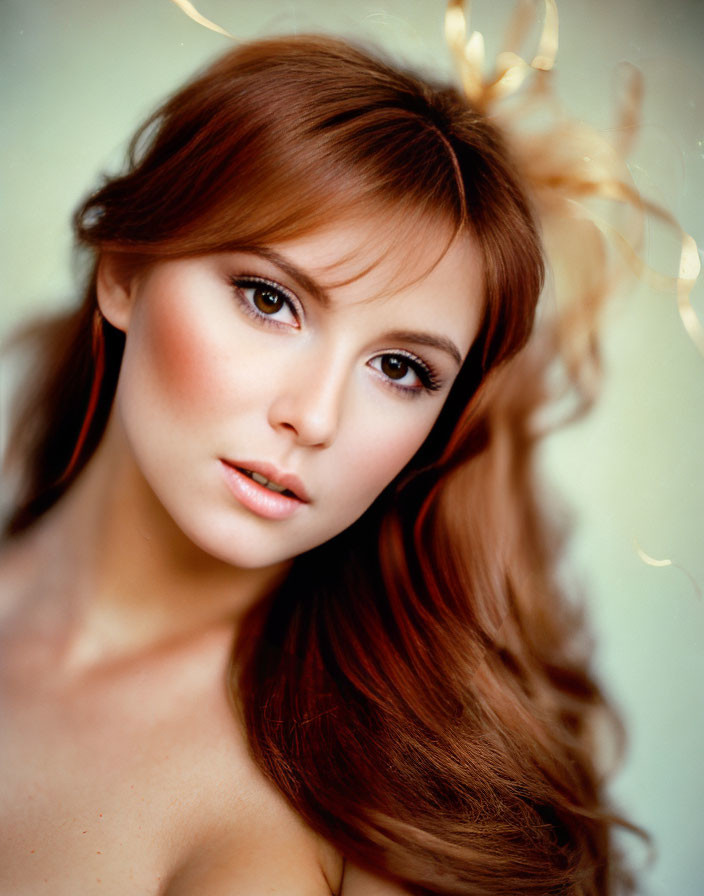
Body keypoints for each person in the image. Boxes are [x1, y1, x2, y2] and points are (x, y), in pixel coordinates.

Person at [0, 16, 647, 896]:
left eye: (400, 369)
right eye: (270, 299)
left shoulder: (403, 813)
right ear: (122, 272)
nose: (314, 417)